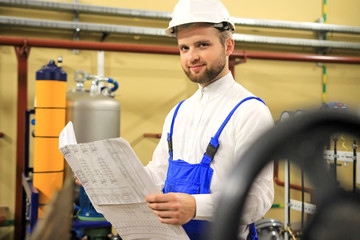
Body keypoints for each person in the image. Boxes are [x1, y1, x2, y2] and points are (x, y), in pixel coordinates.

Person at [144, 0, 274, 239]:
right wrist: (107, 179)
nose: (192, 56)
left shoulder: (249, 112)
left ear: (228, 46)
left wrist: (195, 207)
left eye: (202, 44)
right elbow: (156, 176)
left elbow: (259, 197)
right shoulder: (177, 113)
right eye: (184, 48)